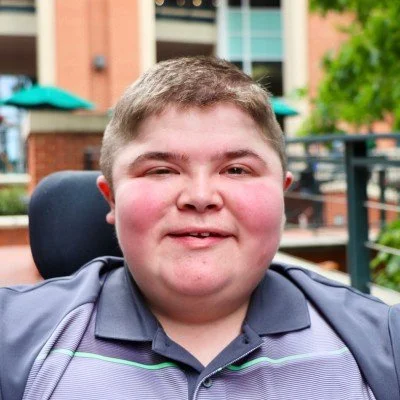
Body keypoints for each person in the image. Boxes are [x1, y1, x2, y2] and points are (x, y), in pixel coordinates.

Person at [0, 56, 399, 400]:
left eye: (237, 169)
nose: (201, 196)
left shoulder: (384, 345)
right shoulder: (12, 336)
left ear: (282, 195)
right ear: (112, 199)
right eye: (161, 170)